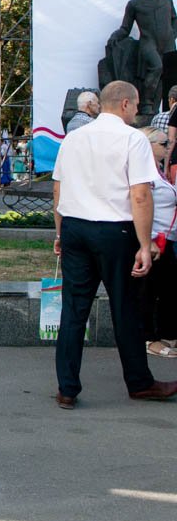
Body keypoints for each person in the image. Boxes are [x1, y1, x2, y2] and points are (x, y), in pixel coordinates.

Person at [52, 80, 177, 409]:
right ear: (124, 104)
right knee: (126, 309)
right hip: (115, 231)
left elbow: (58, 189)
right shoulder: (132, 139)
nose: (137, 111)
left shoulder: (74, 138)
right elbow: (140, 194)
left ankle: (67, 388)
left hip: (76, 229)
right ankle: (139, 382)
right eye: (136, 105)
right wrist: (144, 243)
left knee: (74, 311)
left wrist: (60, 233)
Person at [112, 0, 177, 117]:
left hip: (168, 43)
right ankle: (146, 103)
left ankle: (163, 108)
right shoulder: (135, 4)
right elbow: (125, 28)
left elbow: (175, 19)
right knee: (156, 67)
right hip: (148, 42)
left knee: (167, 75)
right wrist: (115, 37)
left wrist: (173, 34)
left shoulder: (167, 0)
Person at [137, 127, 177, 359]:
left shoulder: (158, 171)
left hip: (166, 238)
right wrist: (148, 238)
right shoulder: (145, 174)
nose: (167, 147)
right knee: (149, 290)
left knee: (167, 288)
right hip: (154, 239)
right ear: (148, 145)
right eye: (163, 144)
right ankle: (148, 338)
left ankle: (164, 334)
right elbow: (140, 204)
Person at [149, 85, 177, 177]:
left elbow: (171, 140)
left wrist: (165, 167)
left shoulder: (159, 117)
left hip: (170, 162)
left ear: (171, 99)